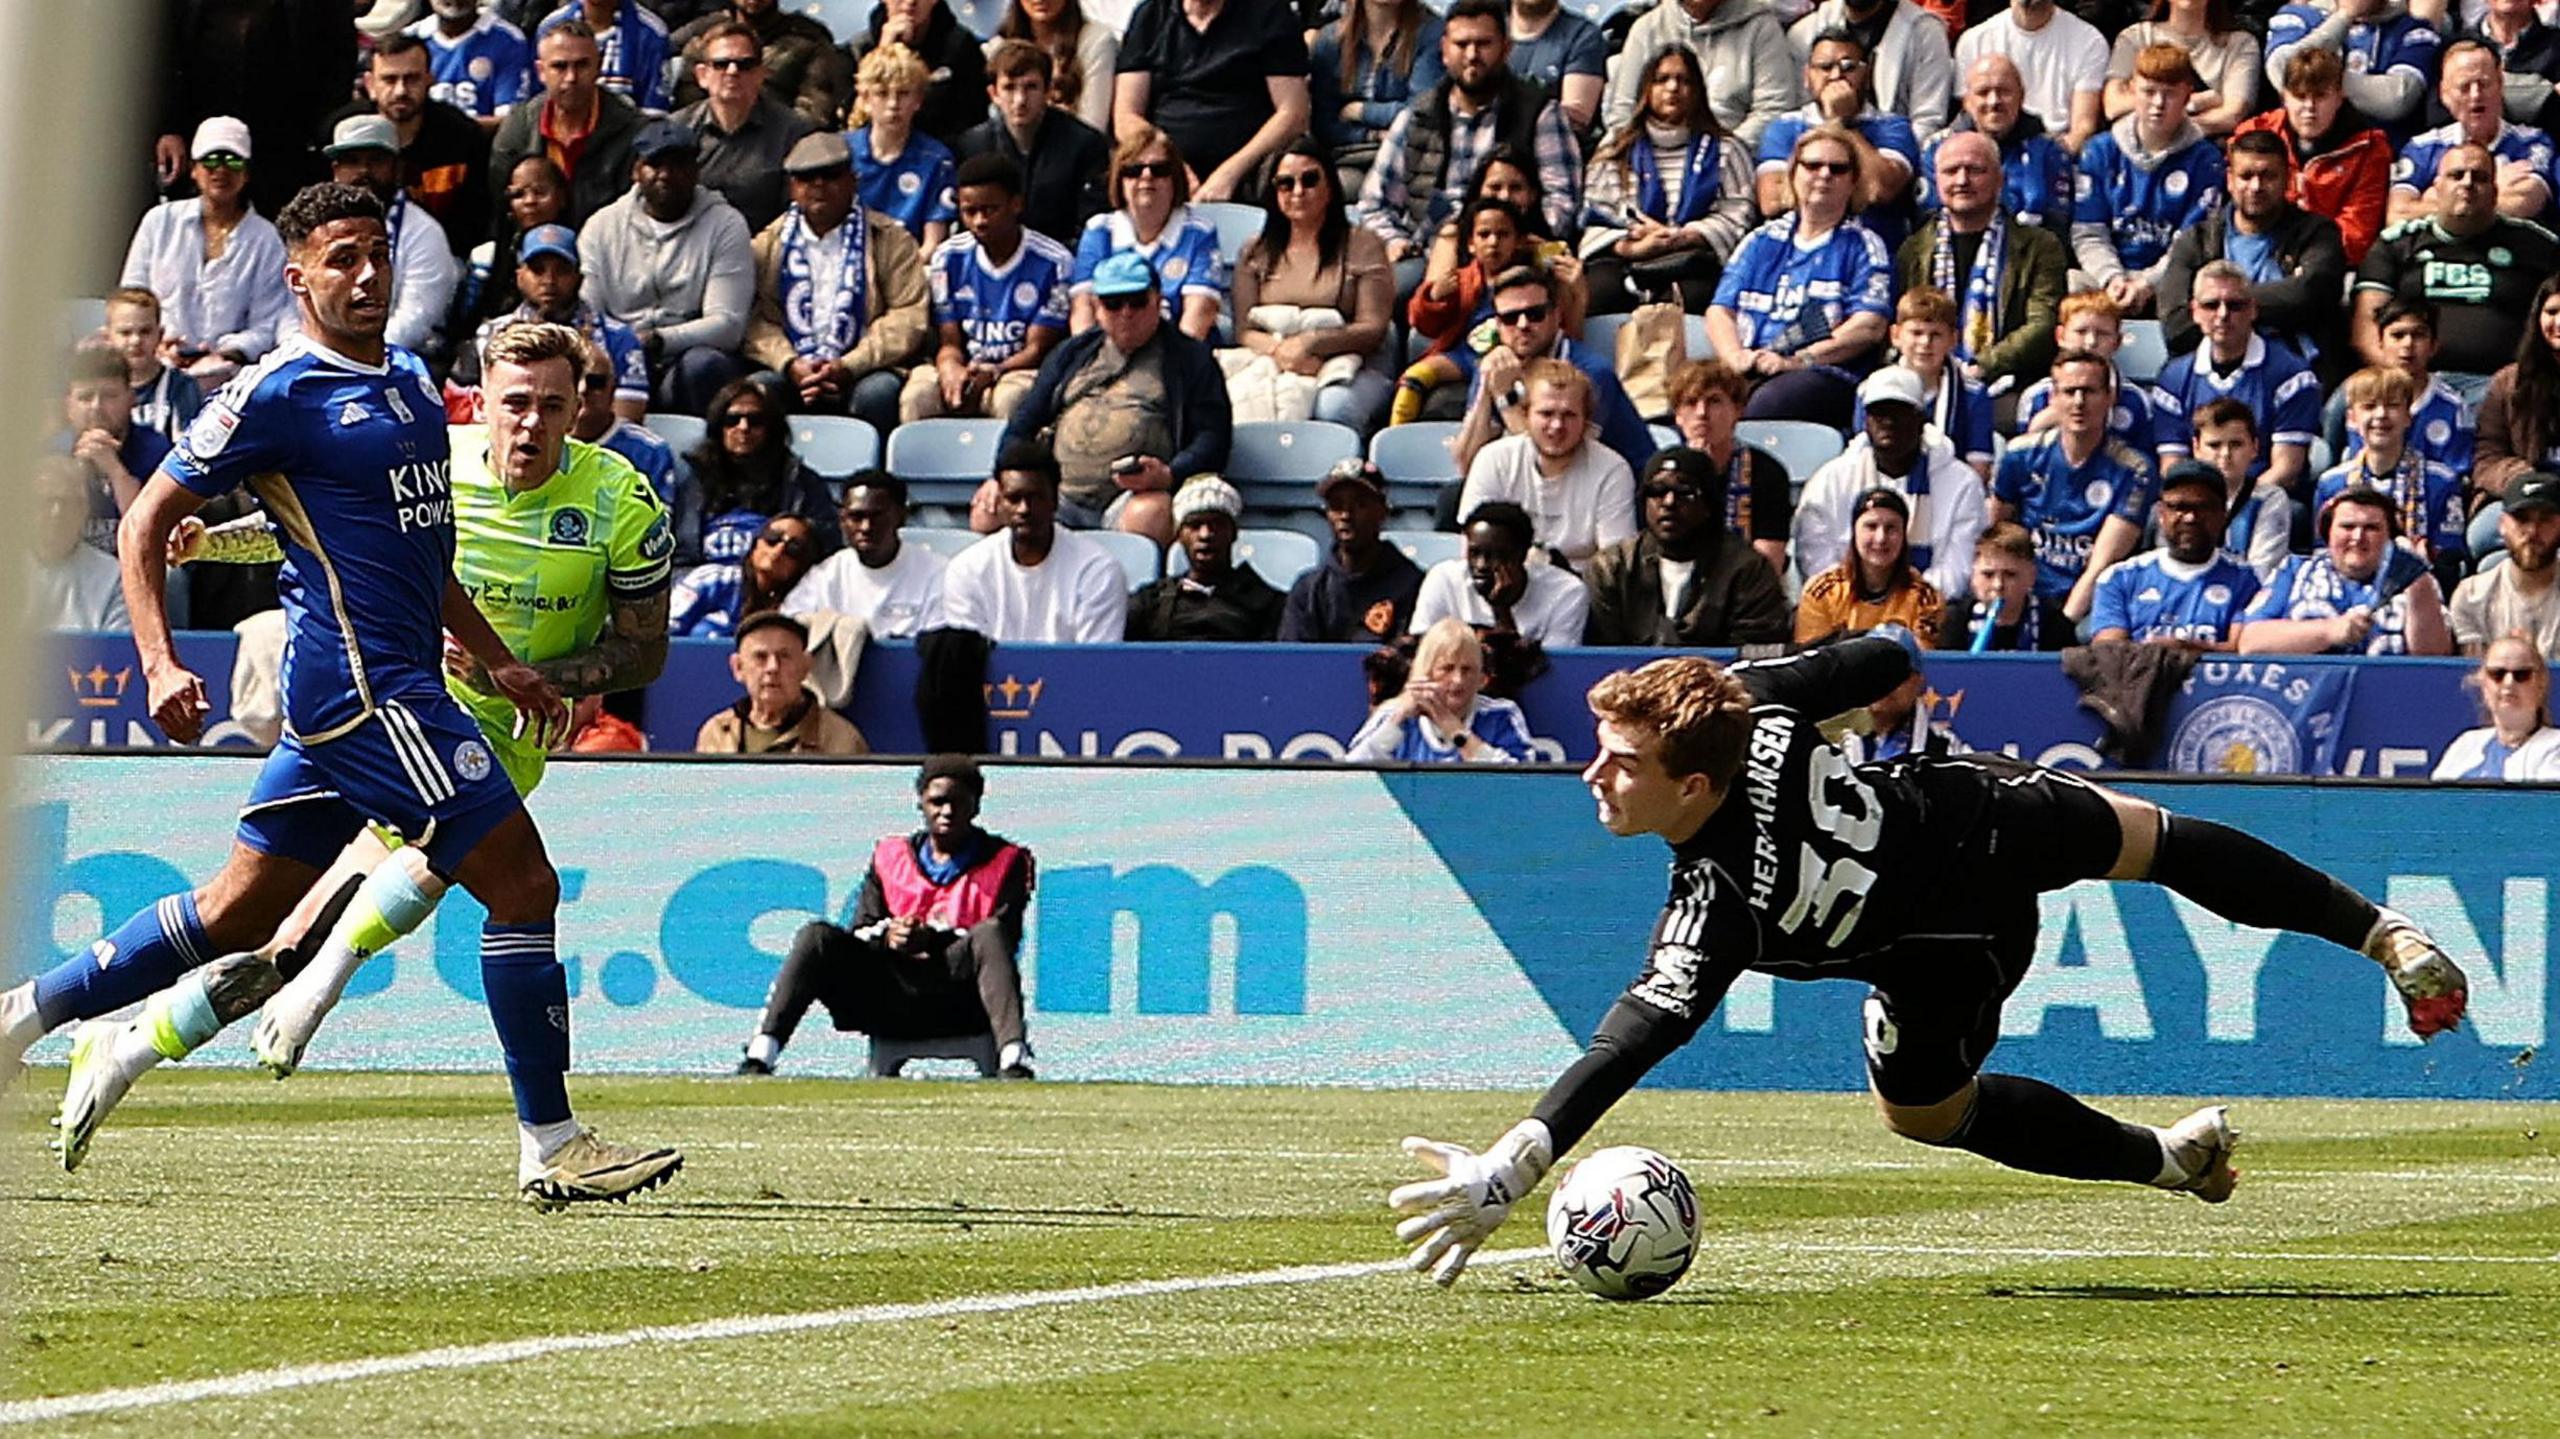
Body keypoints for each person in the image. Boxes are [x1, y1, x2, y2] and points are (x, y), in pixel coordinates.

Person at [1385, 633, 2470, 1287]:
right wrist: (1826, 692)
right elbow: (1892, 656)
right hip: (1971, 815)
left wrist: (1513, 1164)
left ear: (1694, 788)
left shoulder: (1715, 901)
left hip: (1940, 955)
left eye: (1623, 762)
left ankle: (2168, 1161)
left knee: (1926, 1116)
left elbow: (1633, 1035)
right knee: (2159, 840)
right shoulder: (1751, 699)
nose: (1594, 775)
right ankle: (2383, 933)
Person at [12, 189, 683, 1206]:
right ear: (298, 277)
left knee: (238, 912)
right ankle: (549, 1141)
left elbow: (421, 553)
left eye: (377, 254)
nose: (366, 276)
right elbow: (149, 521)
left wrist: (496, 656)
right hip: (369, 691)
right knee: (524, 884)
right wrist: (156, 660)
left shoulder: (414, 384)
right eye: (341, 259)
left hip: (387, 685)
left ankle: (21, 1014)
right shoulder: (278, 393)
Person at [736, 756, 1036, 1077]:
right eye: (937, 802)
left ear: (975, 807)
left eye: (958, 802)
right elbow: (861, 929)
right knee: (816, 936)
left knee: (989, 933)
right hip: (888, 998)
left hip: (961, 999)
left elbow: (1004, 938)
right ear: (920, 804)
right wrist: (889, 935)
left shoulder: (1009, 861)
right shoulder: (890, 856)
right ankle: (760, 1055)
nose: (946, 811)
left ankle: (1014, 1059)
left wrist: (934, 939)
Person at [994, 252, 1230, 547]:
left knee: (1151, 512)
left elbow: (1214, 437)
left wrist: (1169, 474)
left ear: (1157, 301)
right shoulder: (1072, 354)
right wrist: (1002, 474)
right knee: (989, 507)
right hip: (1058, 497)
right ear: (1097, 307)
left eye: (1137, 301)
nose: (1126, 312)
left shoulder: (1191, 358)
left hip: (1131, 499)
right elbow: (1023, 423)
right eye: (1114, 304)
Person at [1356, 0, 1586, 289]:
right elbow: (1374, 204)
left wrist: (1509, 240)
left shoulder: (1540, 113)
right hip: (1429, 252)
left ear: (1506, 48)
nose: (1472, 55)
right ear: (1444, 50)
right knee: (1394, 290)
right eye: (1461, 44)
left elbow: (1563, 202)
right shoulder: (1417, 117)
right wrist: (1396, 242)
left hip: (1513, 253)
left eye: (1483, 44)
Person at [740, 131, 931, 434]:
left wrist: (850, 365)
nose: (819, 185)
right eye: (806, 177)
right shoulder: (767, 245)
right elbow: (753, 319)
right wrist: (790, 364)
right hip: (791, 370)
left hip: (865, 369)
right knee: (759, 391)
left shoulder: (890, 239)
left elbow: (908, 315)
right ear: (792, 187)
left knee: (878, 393)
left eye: (830, 176)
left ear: (853, 181)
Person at [1706, 125, 1896, 426]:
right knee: (1696, 402)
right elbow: (1720, 310)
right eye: (1813, 165)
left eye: (1838, 169)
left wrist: (1799, 360)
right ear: (1794, 173)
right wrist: (1735, 357)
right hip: (1750, 365)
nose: (1824, 175)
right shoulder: (1760, 240)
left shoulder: (1864, 245)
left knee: (1762, 407)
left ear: (1853, 182)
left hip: (1822, 374)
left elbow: (1868, 327)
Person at [580, 119, 757, 415]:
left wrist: (661, 340)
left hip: (688, 356)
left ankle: (702, 456)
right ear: (637, 170)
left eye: (678, 165)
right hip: (618, 353)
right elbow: (588, 313)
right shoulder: (601, 226)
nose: (665, 174)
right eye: (655, 164)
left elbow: (728, 325)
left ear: (696, 171)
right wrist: (626, 344)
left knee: (704, 364)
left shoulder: (726, 224)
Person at [2352, 142, 2560, 392]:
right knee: (2338, 408)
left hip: (2507, 387)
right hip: (2409, 382)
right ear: (2436, 188)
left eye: (2480, 177)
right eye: (2456, 175)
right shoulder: (2395, 244)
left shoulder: (2537, 244)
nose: (2467, 184)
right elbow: (2366, 328)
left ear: (2495, 192)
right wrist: (2404, 379)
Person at [1231, 141, 1398, 433]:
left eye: (1309, 180)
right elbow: (1244, 330)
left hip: (1356, 360)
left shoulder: (1364, 244)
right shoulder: (1254, 251)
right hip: (1275, 356)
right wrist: (1283, 352)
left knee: (1333, 406)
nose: (1297, 192)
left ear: (1330, 186)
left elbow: (1373, 329)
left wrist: (1310, 344)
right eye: (1285, 183)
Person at [1581, 47, 1760, 315]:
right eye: (1662, 79)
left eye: (1684, 80)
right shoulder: (1617, 149)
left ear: (1698, 89)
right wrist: (1634, 246)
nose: (1673, 87)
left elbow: (1738, 215)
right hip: (1627, 256)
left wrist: (1685, 237)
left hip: (1696, 260)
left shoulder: (1727, 149)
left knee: (1692, 297)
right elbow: (1596, 216)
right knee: (1599, 292)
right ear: (1646, 89)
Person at [121, 117, 293, 390]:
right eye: (210, 160)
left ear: (246, 173)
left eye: (233, 161)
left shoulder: (267, 239)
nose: (221, 170)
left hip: (228, 377)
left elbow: (267, 323)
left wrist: (224, 353)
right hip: (153, 366)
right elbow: (130, 298)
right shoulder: (159, 221)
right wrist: (158, 343)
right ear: (193, 169)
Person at [903, 154, 1074, 424]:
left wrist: (994, 371)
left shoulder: (1054, 262)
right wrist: (950, 368)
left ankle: (1007, 465)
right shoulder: (947, 258)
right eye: (970, 212)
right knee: (919, 395)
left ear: (1016, 204)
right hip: (967, 364)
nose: (980, 221)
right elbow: (950, 341)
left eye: (990, 210)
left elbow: (1037, 350)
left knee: (1010, 399)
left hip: (1019, 370)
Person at [2159, 133, 2350, 373]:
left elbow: (2314, 294)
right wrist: (2277, 298)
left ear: (2288, 180)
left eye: (2268, 176)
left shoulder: (2317, 233)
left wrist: (2214, 308)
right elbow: (2176, 326)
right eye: (2246, 176)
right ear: (2229, 180)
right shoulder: (2197, 241)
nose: (2256, 187)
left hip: (2300, 374)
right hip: (2212, 376)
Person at [1898, 131, 2070, 393]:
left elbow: (2042, 326)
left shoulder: (2040, 246)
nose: (1962, 180)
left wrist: (1981, 367)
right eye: (1951, 171)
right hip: (1924, 380)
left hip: (2009, 383)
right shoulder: (1914, 249)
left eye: (1975, 170)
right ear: (1936, 180)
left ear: (2000, 179)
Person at [1993, 349, 2157, 621]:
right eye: (2069, 392)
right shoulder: (2019, 455)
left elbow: (2102, 564)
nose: (2079, 402)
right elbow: (1995, 537)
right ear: (2053, 398)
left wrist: (2060, 627)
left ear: (2110, 398)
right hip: (2025, 594)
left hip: (2091, 602)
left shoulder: (2135, 470)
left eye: (2089, 391)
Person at [1796, 365, 1986, 598]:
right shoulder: (1830, 481)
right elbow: (1816, 562)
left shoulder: (1962, 484)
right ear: (1865, 421)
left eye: (1899, 412)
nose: (1888, 422)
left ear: (1921, 419)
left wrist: (1902, 606)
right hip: (1845, 612)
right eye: (1879, 413)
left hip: (1929, 612)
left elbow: (1958, 569)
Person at [1453, 264, 1657, 475]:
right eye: (1510, 318)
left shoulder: (1591, 372)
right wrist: (1486, 388)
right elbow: (1467, 464)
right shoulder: (1496, 364)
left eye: (1535, 314)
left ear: (1557, 315)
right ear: (1497, 323)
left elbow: (1557, 464)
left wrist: (1505, 400)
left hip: (1615, 488)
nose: (1523, 325)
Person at [1582, 446, 1793, 646]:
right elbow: (1603, 656)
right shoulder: (1612, 567)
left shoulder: (1747, 571)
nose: (1669, 502)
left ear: (1709, 504)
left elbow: (1751, 660)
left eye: (1684, 491)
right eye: (1657, 491)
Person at [2072, 46, 2228, 317]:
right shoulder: (2099, 151)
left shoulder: (2207, 161)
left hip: (2173, 284)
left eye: (2169, 93)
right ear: (2132, 90)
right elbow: (2088, 230)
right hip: (2107, 282)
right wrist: (2112, 279)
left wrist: (2147, 284)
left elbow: (2194, 242)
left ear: (2187, 94)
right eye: (2149, 92)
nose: (2158, 104)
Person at [1112, 0, 1312, 203]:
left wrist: (1229, 174)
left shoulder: (1270, 13)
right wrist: (1172, 165)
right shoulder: (1150, 16)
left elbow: (1293, 113)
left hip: (1250, 171)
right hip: (1164, 170)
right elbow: (1125, 116)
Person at [2153, 262, 2321, 501]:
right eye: (2211, 305)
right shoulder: (2172, 379)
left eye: (2235, 305)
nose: (2223, 314)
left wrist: (2233, 507)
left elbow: (2286, 469)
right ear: (2195, 312)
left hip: (2267, 500)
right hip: (2199, 503)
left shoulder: (2293, 375)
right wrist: (2207, 507)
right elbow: (2172, 466)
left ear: (2253, 309)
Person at [941, 440, 1130, 643]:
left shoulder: (1098, 570)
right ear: (1000, 502)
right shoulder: (967, 569)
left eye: (1035, 498)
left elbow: (1095, 664)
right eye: (1014, 499)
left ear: (1055, 500)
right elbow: (966, 660)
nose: (1024, 509)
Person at [462, 225, 650, 425]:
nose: (549, 281)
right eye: (538, 270)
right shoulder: (490, 334)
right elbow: (470, 411)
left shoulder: (618, 338)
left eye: (562, 270)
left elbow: (627, 418)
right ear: (520, 276)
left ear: (579, 277)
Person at [1456, 360, 1636, 566]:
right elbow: (1473, 548)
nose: (1557, 425)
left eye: (1569, 415)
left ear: (1586, 420)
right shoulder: (1494, 459)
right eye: (1546, 414)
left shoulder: (1612, 470)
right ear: (1526, 414)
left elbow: (1614, 564)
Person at [327, 33, 491, 258]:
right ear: (370, 84)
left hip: (444, 255)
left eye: (412, 78)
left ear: (429, 80)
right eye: (389, 79)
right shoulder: (339, 132)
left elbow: (477, 220)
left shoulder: (462, 137)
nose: (401, 91)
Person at [309, 116, 459, 359]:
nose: (363, 172)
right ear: (335, 171)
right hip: (323, 356)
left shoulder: (424, 231)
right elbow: (291, 309)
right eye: (352, 162)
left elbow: (416, 321)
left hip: (400, 360)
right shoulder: (313, 230)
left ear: (397, 168)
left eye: (376, 161)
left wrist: (352, 357)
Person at [2239, 486, 2453, 653]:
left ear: (2390, 536)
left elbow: (2434, 656)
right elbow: (2251, 641)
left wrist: (2417, 584)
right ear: (2327, 532)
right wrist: (2330, 632)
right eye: (2347, 527)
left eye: (2372, 528)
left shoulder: (2417, 579)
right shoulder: (2293, 570)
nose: (2358, 537)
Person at [1755, 32, 1923, 242]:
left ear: (1868, 75)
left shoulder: (1893, 127)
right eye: (1825, 67)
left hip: (1875, 249)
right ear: (1807, 76)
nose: (1836, 76)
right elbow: (1772, 200)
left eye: (1848, 67)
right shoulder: (1785, 127)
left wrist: (1843, 123)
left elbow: (1880, 190)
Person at [2234, 46, 2394, 266]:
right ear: (2284, 98)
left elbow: (2357, 234)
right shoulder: (2253, 132)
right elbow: (2239, 208)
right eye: (2300, 96)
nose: (2309, 107)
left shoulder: (2369, 148)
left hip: (2328, 264)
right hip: (2255, 251)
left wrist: (2303, 258)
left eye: (2320, 96)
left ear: (2339, 97)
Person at [1070, 124, 1226, 340]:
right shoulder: (1099, 230)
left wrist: (1171, 364)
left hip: (1180, 356)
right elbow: (1083, 310)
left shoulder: (1199, 233)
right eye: (1133, 170)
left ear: (1175, 179)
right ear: (1119, 180)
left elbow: (1199, 314)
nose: (1146, 177)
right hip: (1111, 354)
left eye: (1159, 170)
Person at [2087, 459, 2262, 646]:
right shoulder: (2119, 578)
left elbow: (2243, 651)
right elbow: (2109, 652)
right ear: (2161, 514)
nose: (2190, 518)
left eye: (2202, 507)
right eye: (2179, 507)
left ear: (2223, 515)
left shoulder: (2245, 579)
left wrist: (2185, 649)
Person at [489, 21, 645, 229]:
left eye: (582, 65)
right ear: (541, 71)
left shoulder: (633, 130)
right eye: (560, 66)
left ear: (598, 67)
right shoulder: (519, 126)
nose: (571, 78)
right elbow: (500, 205)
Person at [673, 372, 838, 565]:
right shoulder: (691, 479)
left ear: (772, 428)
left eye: (755, 420)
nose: (743, 427)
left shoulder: (801, 482)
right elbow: (678, 553)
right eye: (732, 420)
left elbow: (823, 547)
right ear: (719, 426)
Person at [962, 41, 1114, 250]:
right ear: (993, 94)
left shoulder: (1085, 144)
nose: (1020, 100)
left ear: (1048, 91)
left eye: (1031, 87)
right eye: (1009, 87)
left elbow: (1092, 226)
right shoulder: (973, 145)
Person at [675, 18, 820, 234]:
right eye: (721, 64)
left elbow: (797, 216)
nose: (733, 71)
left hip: (766, 254)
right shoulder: (677, 130)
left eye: (745, 65)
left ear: (761, 74)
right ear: (702, 76)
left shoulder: (795, 133)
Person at [2313, 365, 2466, 570]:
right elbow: (2322, 552)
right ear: (2351, 419)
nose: (2381, 415)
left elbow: (2451, 556)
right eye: (2369, 406)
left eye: (2392, 405)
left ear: (2408, 416)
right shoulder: (2332, 484)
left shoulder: (2441, 481)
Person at [2388, 42, 2556, 227]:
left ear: (2500, 84)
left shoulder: (2532, 142)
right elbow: (2397, 216)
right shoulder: (2422, 148)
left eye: (2484, 84)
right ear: (2445, 94)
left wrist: (2437, 195)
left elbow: (2521, 204)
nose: (2476, 95)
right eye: (2464, 87)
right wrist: (2491, 187)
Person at [1602, 0, 1802, 149]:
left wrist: (1722, 154)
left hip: (1733, 156)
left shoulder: (1761, 26)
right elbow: (1623, 111)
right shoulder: (1647, 28)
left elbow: (1774, 108)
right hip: (1652, 155)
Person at [1924, 56, 2076, 242]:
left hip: (2032, 259)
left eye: (2004, 91)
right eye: (1983, 92)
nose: (1994, 101)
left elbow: (2060, 226)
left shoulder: (2050, 151)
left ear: (2021, 96)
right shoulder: (1936, 149)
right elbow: (1927, 223)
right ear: (1966, 100)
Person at [784, 470, 950, 638]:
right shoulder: (825, 575)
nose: (866, 527)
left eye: (877, 516)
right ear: (842, 520)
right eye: (856, 517)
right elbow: (789, 626)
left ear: (901, 516)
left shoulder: (937, 574)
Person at [1346, 616, 1537, 762]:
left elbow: (1520, 782)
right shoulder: (1393, 714)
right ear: (1426, 672)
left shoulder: (1501, 715)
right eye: (1447, 668)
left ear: (1482, 678)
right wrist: (1397, 720)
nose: (1458, 679)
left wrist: (1452, 727)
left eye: (1467, 670)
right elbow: (1353, 774)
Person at [1281, 458, 1428, 643]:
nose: (1346, 515)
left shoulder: (1412, 584)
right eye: (1336, 505)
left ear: (1382, 511)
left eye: (1360, 504)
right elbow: (1294, 661)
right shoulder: (1309, 590)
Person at [1311, 0, 1448, 196]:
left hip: (1411, 157)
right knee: (1338, 188)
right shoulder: (1330, 40)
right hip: (1349, 156)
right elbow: (1324, 122)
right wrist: (1370, 135)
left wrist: (1360, 111)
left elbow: (1422, 111)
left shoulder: (1432, 34)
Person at [1125, 477, 1288, 640]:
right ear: (1179, 535)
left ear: (1234, 533)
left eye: (1217, 525)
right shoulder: (1150, 601)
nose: (1205, 535)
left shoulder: (1267, 603)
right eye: (1195, 526)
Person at [1670, 360, 1792, 574]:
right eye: (1691, 402)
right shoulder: (1663, 471)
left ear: (1738, 410)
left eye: (1714, 401)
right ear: (1678, 416)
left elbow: (1769, 562)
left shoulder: (1766, 472)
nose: (1701, 413)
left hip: (1748, 591)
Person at [1411, 499, 1589, 643]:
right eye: (1474, 553)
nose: (1481, 565)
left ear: (1522, 554)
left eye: (1496, 555)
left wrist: (1501, 610)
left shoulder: (1566, 593)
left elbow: (1555, 671)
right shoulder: (1443, 579)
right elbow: (1422, 653)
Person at [2264, 0, 2445, 140]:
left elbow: (2398, 98)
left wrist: (2317, 75)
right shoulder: (2298, 16)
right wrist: (2344, 17)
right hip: (2299, 156)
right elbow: (2281, 71)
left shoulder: (2413, 29)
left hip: (2379, 159)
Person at [693, 608, 869, 751]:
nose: (773, 667)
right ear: (738, 668)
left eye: (784, 656)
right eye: (760, 657)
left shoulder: (840, 740)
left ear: (805, 667)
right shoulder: (716, 733)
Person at [2016, 289, 2163, 459]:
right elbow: (2023, 463)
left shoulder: (2137, 401)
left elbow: (2144, 468)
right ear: (2060, 336)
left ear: (2117, 342)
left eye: (2102, 334)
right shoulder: (2036, 397)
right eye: (2081, 332)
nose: (2091, 342)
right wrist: (2045, 421)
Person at [59, 341, 174, 558]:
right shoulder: (51, 453)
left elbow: (155, 538)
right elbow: (47, 542)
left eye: (110, 396)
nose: (96, 407)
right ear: (69, 406)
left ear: (131, 399)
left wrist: (116, 472)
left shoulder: (157, 452)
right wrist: (72, 476)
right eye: (85, 397)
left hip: (137, 564)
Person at [1864, 285, 1995, 476]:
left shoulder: (1973, 395)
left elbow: (1978, 471)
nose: (1925, 343)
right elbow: (1863, 461)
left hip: (1951, 493)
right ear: (1895, 335)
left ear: (1953, 339)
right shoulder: (1870, 391)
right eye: (1916, 333)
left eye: (1936, 335)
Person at [2472, 275, 2560, 554]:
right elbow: (2486, 459)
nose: (2559, 322)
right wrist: (2527, 480)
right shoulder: (2508, 382)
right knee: (2481, 537)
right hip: (2522, 494)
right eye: (2552, 312)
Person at [1789, 0, 1957, 146]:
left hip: (1897, 159)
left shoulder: (1925, 31)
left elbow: (1927, 121)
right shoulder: (1805, 32)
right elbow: (1799, 112)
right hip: (1817, 156)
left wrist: (1893, 157)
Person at [1955, 0, 2110, 154]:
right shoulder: (1973, 41)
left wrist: (2049, 161)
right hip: (1991, 151)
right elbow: (1972, 115)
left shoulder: (2089, 41)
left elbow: (2083, 127)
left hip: (2057, 149)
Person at [1796, 486, 1946, 645]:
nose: (1881, 538)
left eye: (1891, 528)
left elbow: (1921, 662)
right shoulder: (1821, 593)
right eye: (1871, 527)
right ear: (1854, 532)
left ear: (1904, 536)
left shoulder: (1926, 599)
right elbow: (1812, 661)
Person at [667, 0, 852, 127]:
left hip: (782, 145)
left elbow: (815, 111)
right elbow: (686, 102)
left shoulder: (808, 39)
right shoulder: (702, 34)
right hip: (710, 138)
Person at [849, 42, 959, 253]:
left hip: (912, 269)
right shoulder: (843, 153)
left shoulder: (937, 159)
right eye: (882, 94)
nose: (893, 104)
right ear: (864, 99)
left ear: (918, 100)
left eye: (903, 93)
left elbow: (933, 243)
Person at [2108, 0, 2265, 137]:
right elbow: (2113, 106)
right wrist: (2200, 102)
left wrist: (2171, 128)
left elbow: (2232, 114)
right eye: (2150, 92)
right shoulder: (2135, 37)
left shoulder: (2240, 44)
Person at [848, 0, 991, 148]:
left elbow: (975, 116)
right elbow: (853, 121)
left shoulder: (960, 45)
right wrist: (883, 53)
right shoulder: (860, 48)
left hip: (945, 149)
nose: (911, 2)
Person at [2447, 472, 2560, 655]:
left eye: (2545, 520)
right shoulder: (2472, 597)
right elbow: (2478, 676)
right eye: (2522, 519)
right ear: (2502, 524)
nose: (2532, 531)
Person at [2188, 397, 2294, 579]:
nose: (2225, 454)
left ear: (2254, 447)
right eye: (2214, 445)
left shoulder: (2269, 499)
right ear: (2196, 448)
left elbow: (2263, 571)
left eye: (2236, 444)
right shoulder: (2181, 500)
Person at [673, 512, 819, 638]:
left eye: (794, 547)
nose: (779, 549)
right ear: (755, 543)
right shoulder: (713, 580)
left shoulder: (805, 602)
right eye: (773, 537)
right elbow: (665, 634)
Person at [27, 456, 130, 634]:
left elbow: (118, 651)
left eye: (68, 503)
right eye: (46, 502)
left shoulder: (114, 576)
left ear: (84, 511)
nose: (56, 513)